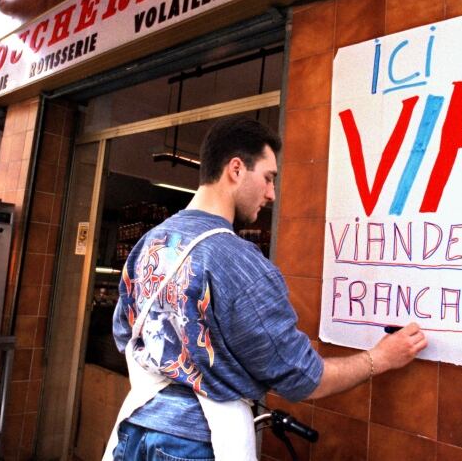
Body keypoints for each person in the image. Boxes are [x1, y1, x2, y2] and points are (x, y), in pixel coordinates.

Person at [105, 116, 427, 461]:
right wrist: (381, 358)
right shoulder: (238, 261)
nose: (272, 194)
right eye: (269, 178)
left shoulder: (148, 244)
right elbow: (302, 377)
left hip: (134, 432)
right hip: (194, 446)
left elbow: (124, 334)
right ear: (236, 169)